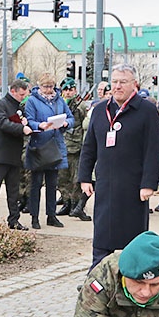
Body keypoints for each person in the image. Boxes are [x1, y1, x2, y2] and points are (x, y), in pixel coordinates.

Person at [78, 64, 159, 266]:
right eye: (114, 81)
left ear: (134, 84)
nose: (117, 86)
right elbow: (89, 146)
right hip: (106, 183)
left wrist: (149, 183)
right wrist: (84, 177)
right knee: (102, 233)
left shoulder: (147, 111)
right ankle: (98, 275)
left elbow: (154, 150)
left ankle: (132, 274)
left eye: (122, 82)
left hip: (134, 185)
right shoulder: (100, 110)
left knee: (132, 235)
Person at [23, 73, 74, 229]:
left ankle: (51, 215)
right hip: (39, 146)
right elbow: (29, 120)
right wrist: (40, 125)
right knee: (36, 184)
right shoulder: (32, 101)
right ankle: (34, 216)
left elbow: (71, 118)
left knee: (52, 184)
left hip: (55, 146)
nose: (48, 90)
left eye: (51, 87)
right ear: (39, 86)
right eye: (45, 86)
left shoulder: (59, 100)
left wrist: (65, 123)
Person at [0, 78, 34, 230]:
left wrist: (27, 124)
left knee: (14, 191)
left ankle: (14, 219)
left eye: (25, 95)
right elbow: (2, 123)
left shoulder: (19, 107)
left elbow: (22, 121)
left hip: (14, 154)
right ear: (13, 91)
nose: (23, 97)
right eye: (21, 94)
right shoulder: (0, 105)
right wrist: (21, 129)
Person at [57, 78, 90, 221]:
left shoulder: (81, 106)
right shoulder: (59, 105)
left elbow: (85, 126)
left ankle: (75, 205)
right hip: (61, 146)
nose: (68, 92)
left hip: (76, 148)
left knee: (75, 179)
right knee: (61, 178)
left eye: (71, 89)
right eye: (66, 90)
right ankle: (66, 202)